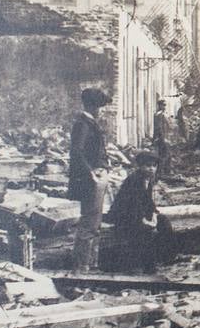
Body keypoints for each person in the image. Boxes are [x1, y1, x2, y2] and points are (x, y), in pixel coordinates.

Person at [69, 87, 111, 271]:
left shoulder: (89, 123)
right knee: (89, 224)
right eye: (100, 107)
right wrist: (91, 174)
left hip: (97, 175)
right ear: (93, 106)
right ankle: (82, 266)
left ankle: (91, 264)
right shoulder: (83, 124)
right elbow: (76, 152)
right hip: (91, 179)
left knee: (95, 223)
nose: (101, 110)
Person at [106, 150, 161, 273]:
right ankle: (145, 266)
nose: (151, 169)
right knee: (143, 232)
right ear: (140, 166)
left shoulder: (148, 180)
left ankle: (163, 257)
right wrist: (144, 221)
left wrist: (154, 215)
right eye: (147, 166)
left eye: (154, 166)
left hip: (137, 212)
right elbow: (133, 204)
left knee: (164, 223)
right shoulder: (134, 180)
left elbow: (148, 201)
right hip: (125, 215)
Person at [152, 98, 171, 177]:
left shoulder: (164, 114)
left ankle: (164, 172)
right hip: (162, 138)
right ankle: (161, 172)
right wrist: (161, 138)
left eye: (165, 105)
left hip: (165, 137)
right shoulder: (159, 115)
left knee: (166, 155)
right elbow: (158, 128)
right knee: (164, 155)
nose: (165, 106)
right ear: (159, 105)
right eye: (163, 105)